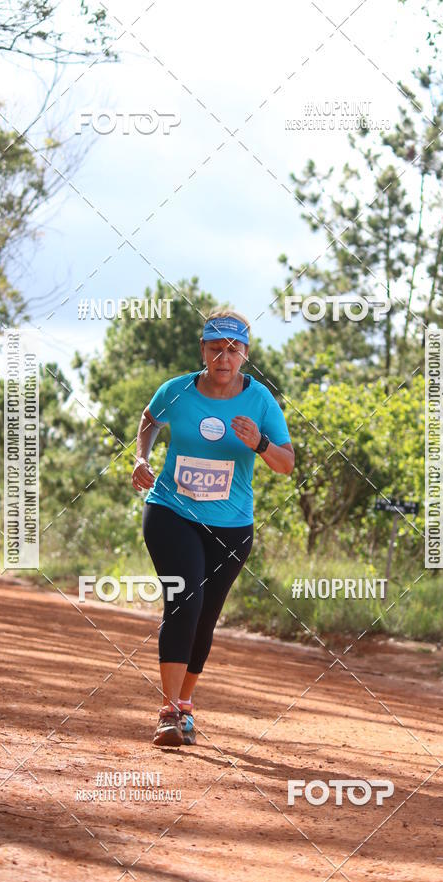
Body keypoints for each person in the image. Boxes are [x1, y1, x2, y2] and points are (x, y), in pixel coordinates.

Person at [131, 308, 295, 747]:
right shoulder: (178, 390)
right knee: (185, 599)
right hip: (171, 511)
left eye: (233, 349)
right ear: (202, 350)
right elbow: (149, 419)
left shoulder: (259, 401)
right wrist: (141, 458)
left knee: (206, 617)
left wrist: (259, 443)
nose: (223, 358)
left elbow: (287, 465)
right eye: (215, 349)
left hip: (232, 526)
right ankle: (168, 711)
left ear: (245, 354)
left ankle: (185, 705)